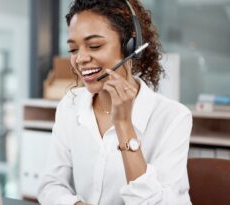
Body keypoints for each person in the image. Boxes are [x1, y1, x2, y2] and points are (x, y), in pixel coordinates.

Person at [37, 0, 192, 204]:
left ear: (130, 46)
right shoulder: (71, 105)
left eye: (94, 45)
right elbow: (51, 185)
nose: (80, 59)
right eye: (73, 49)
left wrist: (124, 126)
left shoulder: (173, 117)